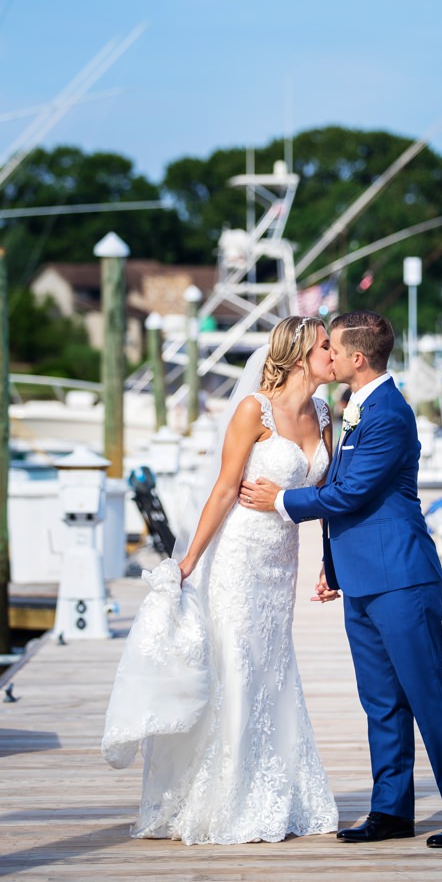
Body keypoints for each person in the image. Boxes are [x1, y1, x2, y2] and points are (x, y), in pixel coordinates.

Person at [240, 310, 442, 849]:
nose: (324, 355)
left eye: (330, 348)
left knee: (427, 693)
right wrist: (332, 569)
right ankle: (391, 811)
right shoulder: (350, 408)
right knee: (380, 699)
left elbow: (349, 495)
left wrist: (280, 500)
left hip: (402, 577)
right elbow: (347, 499)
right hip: (362, 580)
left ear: (356, 359)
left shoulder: (388, 415)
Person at [102, 315, 339, 845]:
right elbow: (224, 489)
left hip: (281, 562)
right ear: (301, 353)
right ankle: (227, 799)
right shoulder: (253, 410)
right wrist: (188, 562)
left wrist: (331, 562)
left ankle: (277, 791)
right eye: (326, 345)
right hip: (236, 558)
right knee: (235, 665)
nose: (334, 353)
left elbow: (326, 497)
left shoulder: (325, 414)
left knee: (272, 667)